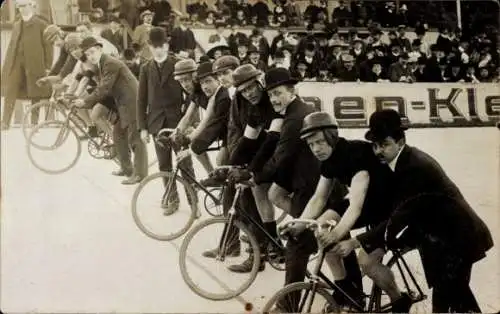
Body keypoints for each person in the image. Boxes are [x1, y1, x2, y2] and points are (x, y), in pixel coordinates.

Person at [335, 109, 494, 313]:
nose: (378, 151)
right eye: (375, 146)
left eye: (384, 144)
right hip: (440, 236)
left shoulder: (414, 168)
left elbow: (401, 215)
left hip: (456, 240)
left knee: (449, 301)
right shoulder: (402, 162)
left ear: (400, 142)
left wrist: (357, 241)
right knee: (457, 298)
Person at [297, 111, 412, 311]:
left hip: (385, 206)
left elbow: (355, 206)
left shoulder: (356, 154)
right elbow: (319, 198)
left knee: (367, 263)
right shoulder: (329, 158)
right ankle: (346, 289)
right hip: (367, 202)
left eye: (319, 142)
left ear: (332, 137)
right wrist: (298, 225)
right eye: (311, 145)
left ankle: (399, 299)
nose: (315, 149)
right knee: (320, 227)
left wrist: (336, 234)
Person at [137, 27, 196, 215]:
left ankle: (193, 202)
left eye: (161, 45)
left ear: (167, 44)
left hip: (179, 123)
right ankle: (172, 199)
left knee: (185, 164)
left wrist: (188, 119)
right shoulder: (146, 68)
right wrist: (143, 127)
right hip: (156, 124)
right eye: (154, 46)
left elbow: (192, 95)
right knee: (164, 165)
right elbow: (141, 99)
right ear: (149, 47)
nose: (158, 49)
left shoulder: (179, 64)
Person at [73, 37, 148, 185]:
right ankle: (127, 168)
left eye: (92, 52)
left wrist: (85, 101)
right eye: (87, 54)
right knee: (118, 134)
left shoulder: (110, 63)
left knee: (135, 138)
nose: (91, 56)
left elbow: (104, 88)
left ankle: (140, 174)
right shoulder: (102, 64)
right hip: (123, 103)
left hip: (133, 102)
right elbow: (102, 87)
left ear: (100, 49)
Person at [1, 0, 53, 130]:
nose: (22, 9)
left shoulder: (41, 24)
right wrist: (7, 65)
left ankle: (34, 123)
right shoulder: (17, 24)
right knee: (10, 90)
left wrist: (47, 66)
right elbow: (12, 46)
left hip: (35, 63)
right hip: (16, 63)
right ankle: (5, 122)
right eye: (19, 6)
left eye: (24, 6)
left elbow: (48, 47)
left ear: (32, 6)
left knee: (36, 92)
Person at [174, 61, 232, 174]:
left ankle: (216, 177)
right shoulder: (196, 93)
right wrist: (176, 132)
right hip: (221, 127)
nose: (185, 85)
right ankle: (212, 174)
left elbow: (208, 122)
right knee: (193, 137)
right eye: (181, 81)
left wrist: (190, 141)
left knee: (221, 160)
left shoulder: (214, 94)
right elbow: (187, 116)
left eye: (187, 79)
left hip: (225, 129)